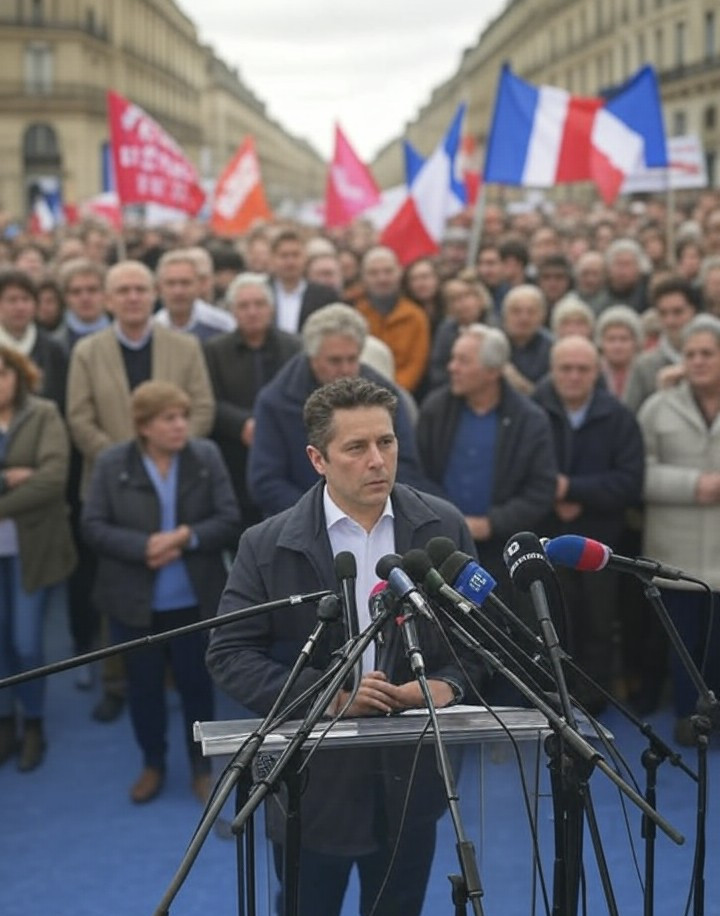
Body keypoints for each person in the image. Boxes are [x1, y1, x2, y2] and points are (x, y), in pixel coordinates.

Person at [206, 376, 478, 916]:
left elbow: (480, 639)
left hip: (413, 777)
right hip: (313, 786)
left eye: (387, 442)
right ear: (318, 458)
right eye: (357, 447)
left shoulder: (441, 526)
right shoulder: (266, 544)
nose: (377, 460)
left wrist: (444, 686)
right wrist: (328, 697)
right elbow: (229, 654)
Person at [67, 259, 215, 723]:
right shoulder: (88, 352)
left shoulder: (185, 346)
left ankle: (178, 676)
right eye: (122, 290)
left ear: (152, 294)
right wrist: (124, 463)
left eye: (139, 289)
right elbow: (79, 417)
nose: (132, 297)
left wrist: (169, 449)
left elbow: (203, 406)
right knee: (121, 592)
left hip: (178, 482)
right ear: (109, 300)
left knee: (180, 596)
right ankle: (119, 682)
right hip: (116, 489)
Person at [82, 381, 240, 802]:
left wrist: (185, 537)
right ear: (144, 426)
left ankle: (201, 767)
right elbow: (92, 526)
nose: (180, 426)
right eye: (169, 419)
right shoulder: (112, 463)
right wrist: (141, 547)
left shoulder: (206, 456)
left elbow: (229, 518)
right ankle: (152, 763)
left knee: (196, 687)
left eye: (183, 417)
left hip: (194, 601)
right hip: (134, 604)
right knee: (143, 688)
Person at [534, 336, 645, 712]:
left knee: (599, 623)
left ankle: (594, 698)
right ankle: (553, 695)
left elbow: (630, 481)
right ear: (553, 370)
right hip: (545, 534)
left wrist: (574, 490)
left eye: (583, 369)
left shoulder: (618, 417)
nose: (574, 376)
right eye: (566, 368)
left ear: (596, 372)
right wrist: (553, 493)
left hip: (599, 539)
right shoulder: (534, 410)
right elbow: (520, 467)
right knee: (551, 620)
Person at [247, 303, 432, 518]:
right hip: (299, 525)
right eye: (334, 361)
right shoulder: (276, 401)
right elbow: (266, 481)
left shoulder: (385, 395)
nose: (345, 369)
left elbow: (407, 468)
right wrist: (323, 516)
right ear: (312, 358)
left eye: (352, 359)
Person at [418, 323, 556, 598]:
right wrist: (443, 518)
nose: (452, 367)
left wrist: (491, 523)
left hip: (501, 553)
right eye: (453, 358)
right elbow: (417, 473)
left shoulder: (529, 420)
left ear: (493, 371)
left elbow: (541, 489)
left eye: (463, 361)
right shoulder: (435, 409)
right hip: (442, 548)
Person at [638, 315, 720, 745]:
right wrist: (695, 485)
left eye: (708, 353)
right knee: (684, 649)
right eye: (691, 354)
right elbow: (639, 474)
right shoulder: (657, 407)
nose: (699, 361)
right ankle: (690, 722)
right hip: (676, 560)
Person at [0, 347, 76, 772]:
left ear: (18, 374)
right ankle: (4, 720)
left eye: (2, 373)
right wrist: (8, 477)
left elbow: (51, 480)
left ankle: (33, 722)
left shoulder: (44, 413)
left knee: (27, 643)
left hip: (34, 549)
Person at [203, 273, 302, 528]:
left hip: (286, 451)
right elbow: (209, 400)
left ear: (271, 309)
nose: (252, 312)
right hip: (234, 452)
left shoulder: (293, 347)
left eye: (259, 304)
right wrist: (242, 424)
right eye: (244, 306)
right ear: (232, 311)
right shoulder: (214, 349)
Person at [355, 246, 430, 394]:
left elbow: (415, 366)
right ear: (363, 277)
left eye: (388, 271)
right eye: (373, 273)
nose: (382, 278)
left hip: (402, 396)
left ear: (399, 273)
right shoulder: (356, 315)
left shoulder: (415, 317)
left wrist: (388, 393)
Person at [623, 277, 700, 413]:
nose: (670, 321)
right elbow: (630, 417)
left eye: (678, 312)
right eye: (663, 313)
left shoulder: (714, 358)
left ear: (693, 311)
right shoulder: (644, 366)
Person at [0, 269, 68, 412]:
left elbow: (62, 401)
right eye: (12, 300)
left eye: (26, 299)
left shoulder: (53, 349)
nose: (20, 307)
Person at [154, 249, 236, 342]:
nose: (178, 291)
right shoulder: (154, 327)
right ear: (159, 288)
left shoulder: (223, 325)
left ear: (199, 285)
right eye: (171, 283)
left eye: (185, 283)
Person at [268, 229, 337, 333]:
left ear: (305, 258)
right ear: (273, 259)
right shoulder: (263, 292)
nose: (290, 262)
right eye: (284, 256)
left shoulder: (324, 296)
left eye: (295, 255)